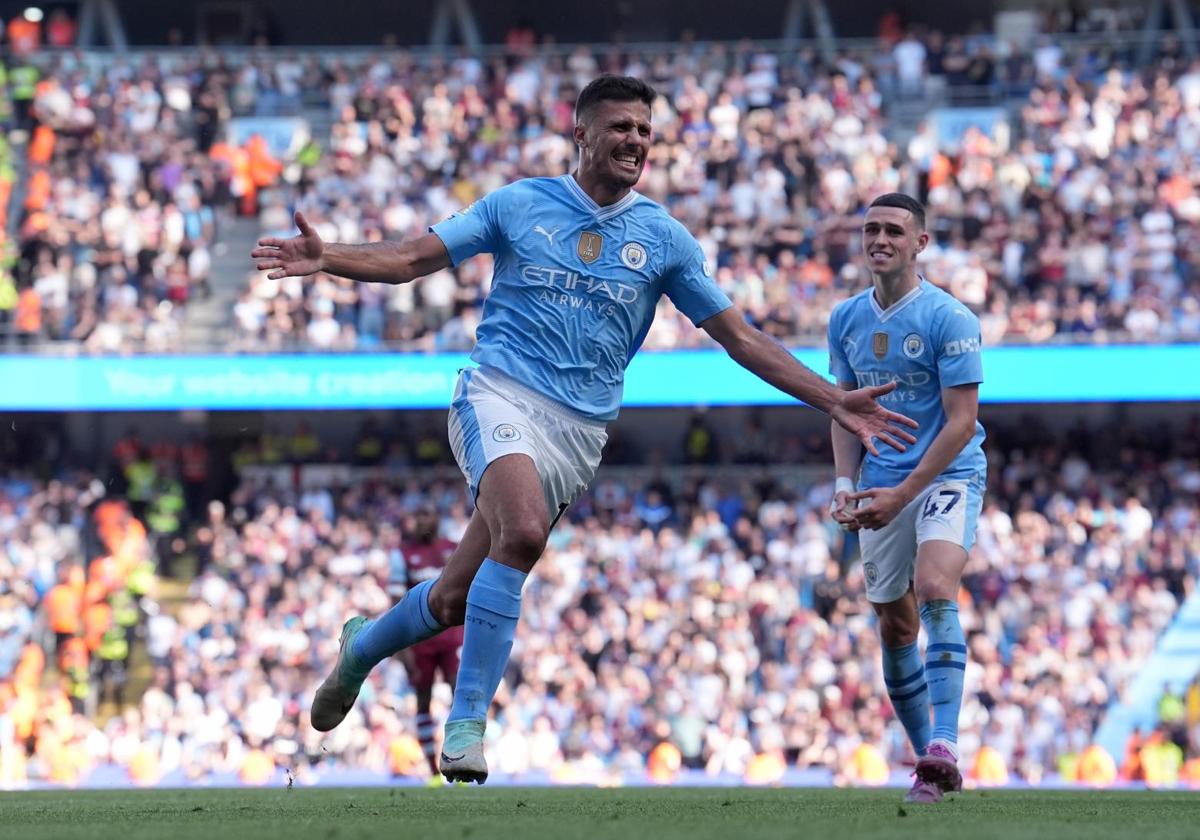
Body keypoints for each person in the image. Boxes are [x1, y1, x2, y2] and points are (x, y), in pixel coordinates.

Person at [253, 75, 918, 784]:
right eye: (621, 127)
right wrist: (328, 259)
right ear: (583, 134)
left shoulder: (662, 238)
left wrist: (831, 399)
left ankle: (360, 649)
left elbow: (741, 339)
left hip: (578, 431)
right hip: (498, 392)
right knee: (526, 531)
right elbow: (414, 259)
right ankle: (466, 726)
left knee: (452, 597)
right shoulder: (519, 204)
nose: (635, 141)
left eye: (644, 130)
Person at [827, 192, 986, 804]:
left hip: (945, 474)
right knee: (895, 624)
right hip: (879, 483)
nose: (879, 239)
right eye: (870, 229)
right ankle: (928, 762)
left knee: (936, 587)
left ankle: (943, 744)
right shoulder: (845, 319)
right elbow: (845, 412)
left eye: (894, 230)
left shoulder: (950, 318)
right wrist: (847, 485)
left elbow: (961, 422)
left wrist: (903, 493)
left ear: (920, 243)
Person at [390, 504, 462, 778]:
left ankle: (458, 758)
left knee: (461, 695)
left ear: (436, 518)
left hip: (453, 637)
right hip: (420, 641)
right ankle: (432, 770)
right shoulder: (403, 555)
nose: (421, 521)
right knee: (423, 701)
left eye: (426, 514)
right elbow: (396, 603)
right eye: (417, 515)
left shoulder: (454, 548)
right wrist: (402, 647)